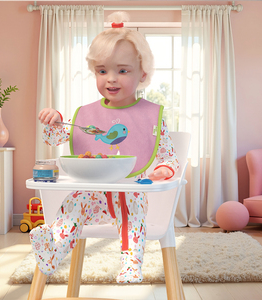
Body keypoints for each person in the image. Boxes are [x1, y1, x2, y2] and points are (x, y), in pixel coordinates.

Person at [30, 11, 179, 284]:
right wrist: (54, 122)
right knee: (73, 203)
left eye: (122, 70)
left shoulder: (152, 115)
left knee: (129, 202)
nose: (111, 78)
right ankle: (52, 251)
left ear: (143, 73)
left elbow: (169, 157)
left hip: (132, 195)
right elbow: (55, 139)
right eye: (102, 71)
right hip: (92, 196)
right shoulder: (85, 115)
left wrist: (162, 171)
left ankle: (131, 262)